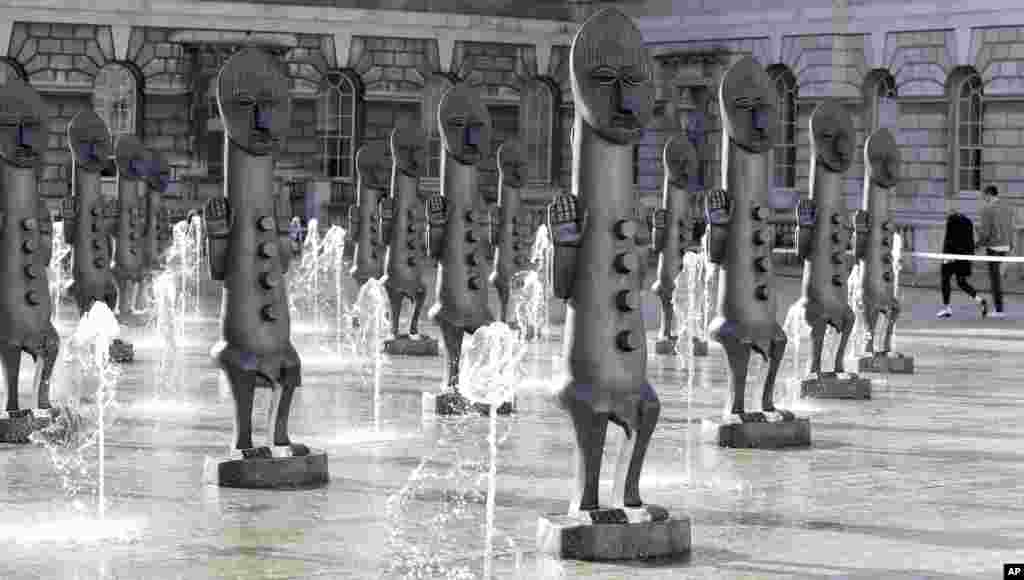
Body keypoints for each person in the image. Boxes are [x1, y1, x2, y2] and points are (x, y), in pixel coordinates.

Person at [937, 211, 987, 318]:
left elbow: (949, 239)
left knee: (945, 279)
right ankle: (980, 300)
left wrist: (946, 256)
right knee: (961, 282)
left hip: (952, 257)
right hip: (965, 257)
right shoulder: (968, 221)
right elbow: (970, 240)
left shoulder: (951, 220)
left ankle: (947, 308)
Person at [977, 185, 1013, 318]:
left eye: (984, 195)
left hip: (994, 247)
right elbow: (1011, 227)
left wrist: (978, 244)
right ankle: (999, 309)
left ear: (989, 194)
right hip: (1005, 245)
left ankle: (999, 310)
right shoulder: (1007, 207)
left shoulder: (987, 209)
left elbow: (985, 233)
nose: (983, 198)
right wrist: (1010, 245)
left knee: (995, 279)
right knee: (997, 278)